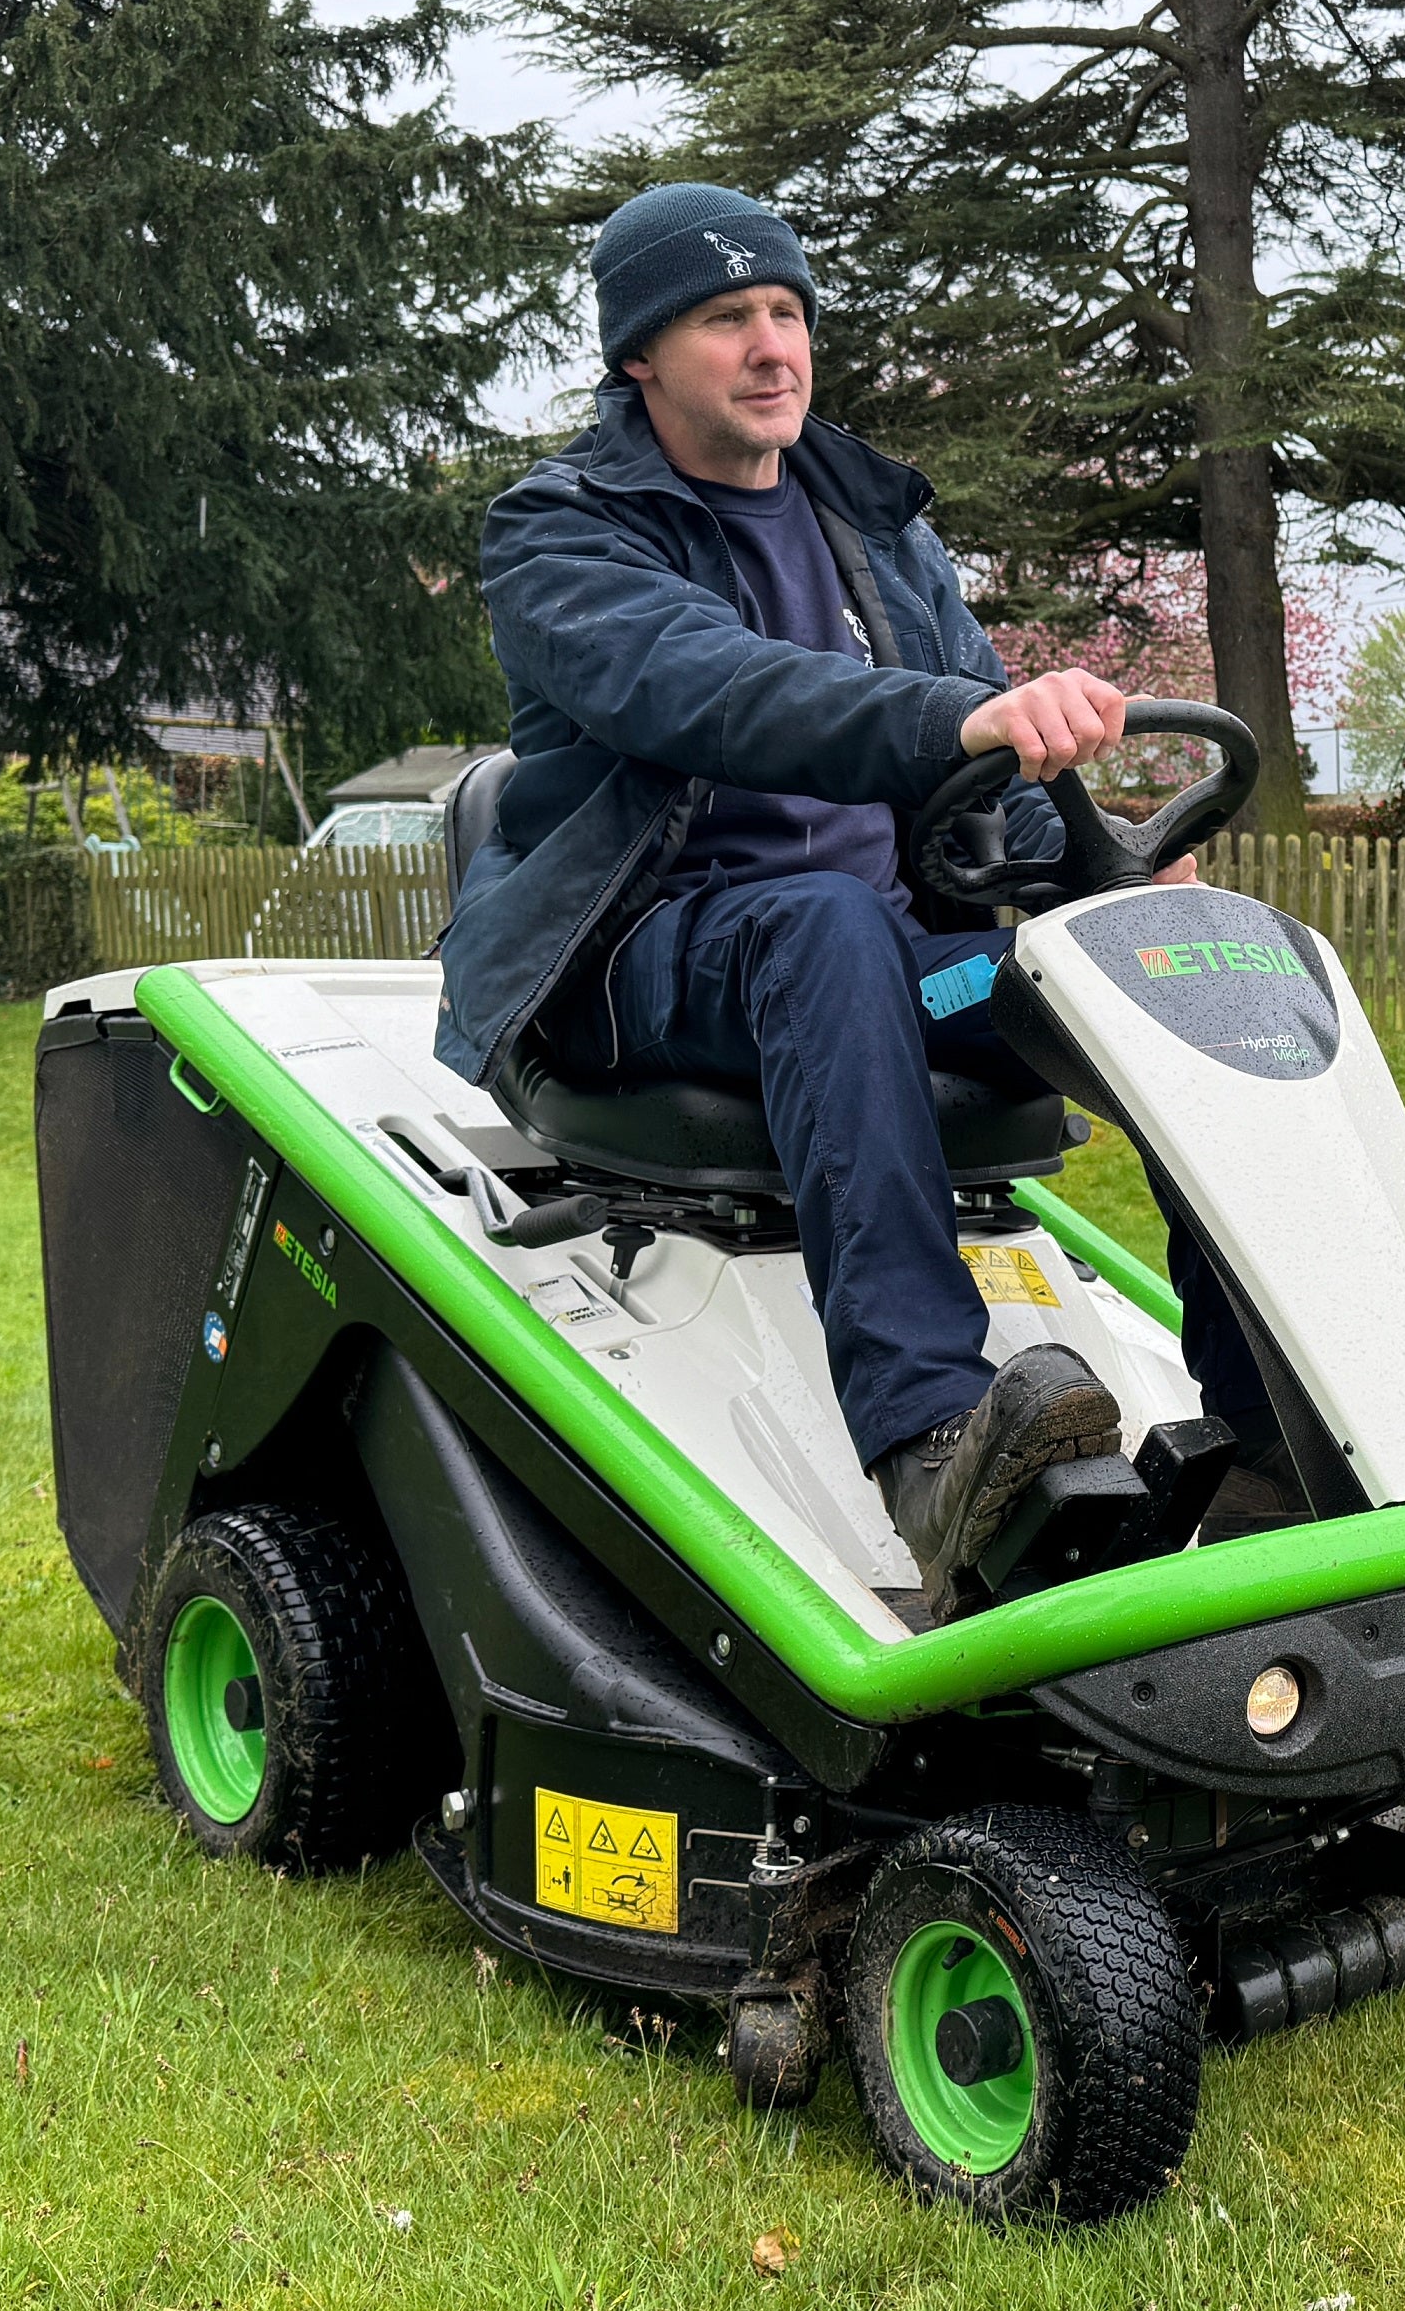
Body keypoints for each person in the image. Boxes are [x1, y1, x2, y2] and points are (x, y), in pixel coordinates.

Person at [438, 182, 1282, 1619]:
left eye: (788, 312)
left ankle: (1277, 1439)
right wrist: (959, 718)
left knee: (1172, 968)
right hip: (647, 964)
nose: (773, 346)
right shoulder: (561, 531)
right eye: (726, 319)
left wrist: (1114, 880)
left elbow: (998, 772)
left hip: (885, 965)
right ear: (640, 353)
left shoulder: (873, 531)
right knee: (821, 921)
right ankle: (932, 1445)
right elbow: (717, 691)